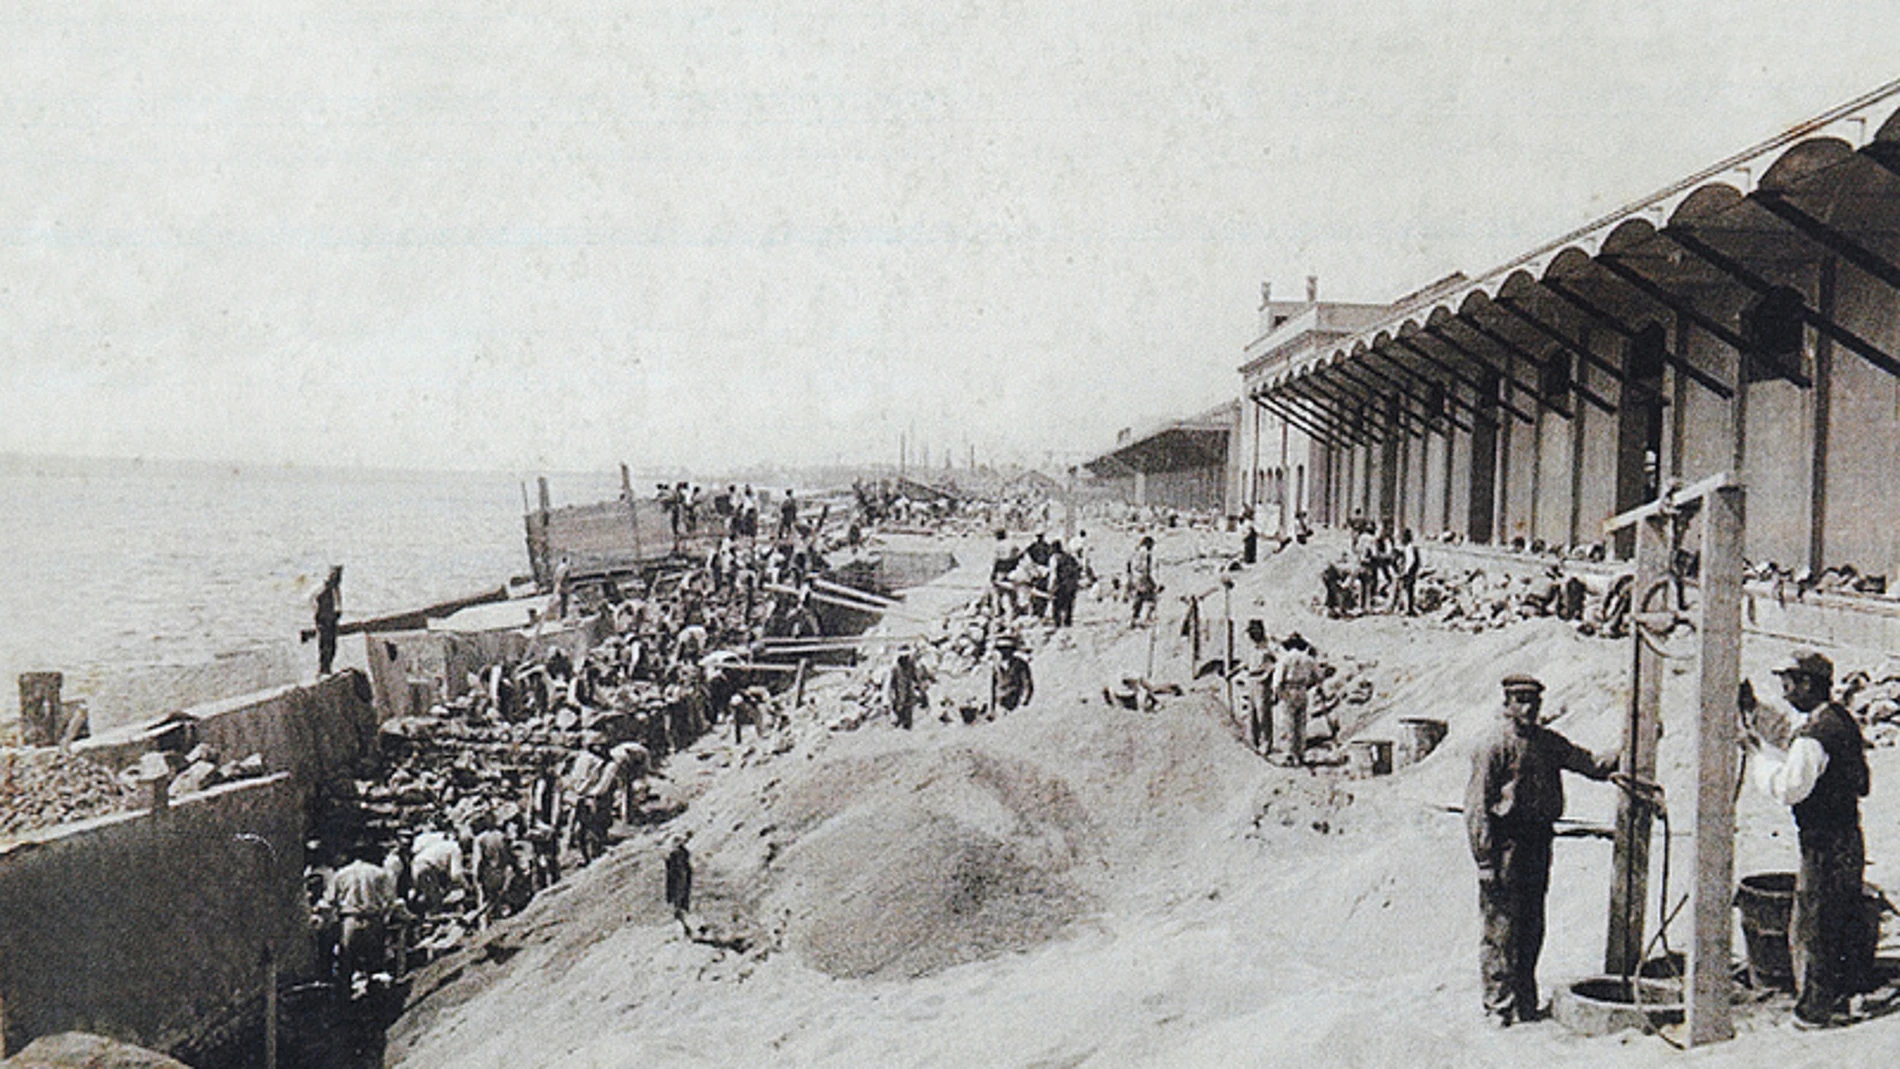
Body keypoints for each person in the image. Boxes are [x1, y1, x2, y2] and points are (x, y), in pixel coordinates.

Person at [1465, 674, 1617, 1027]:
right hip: (1505, 845)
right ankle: (1499, 1006)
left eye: (1533, 701)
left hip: (1537, 844)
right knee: (1500, 928)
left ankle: (1525, 1002)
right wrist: (1484, 860)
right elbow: (1477, 807)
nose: (1528, 707)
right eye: (1520, 700)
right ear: (1507, 704)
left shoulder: (1548, 743)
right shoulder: (1492, 745)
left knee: (1531, 925)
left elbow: (1592, 765)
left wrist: (1628, 749)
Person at [1741, 648, 1871, 1028]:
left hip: (1823, 843)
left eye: (1789, 683)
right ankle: (1842, 999)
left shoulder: (1816, 735)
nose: (1784, 691)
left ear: (1807, 685)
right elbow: (1791, 736)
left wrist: (1756, 756)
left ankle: (1814, 1011)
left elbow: (1789, 787)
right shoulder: (1838, 720)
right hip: (1847, 837)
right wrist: (1755, 717)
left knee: (1813, 926)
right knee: (1839, 918)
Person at [326, 842, 398, 995]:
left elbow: (330, 900)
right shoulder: (379, 873)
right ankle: (376, 998)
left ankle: (345, 999)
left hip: (350, 919)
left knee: (346, 962)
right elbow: (390, 899)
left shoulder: (341, 874)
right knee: (375, 961)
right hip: (372, 919)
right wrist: (385, 915)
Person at [1268, 633, 1320, 764]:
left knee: (1287, 723)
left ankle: (1289, 755)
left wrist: (1278, 693)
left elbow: (1277, 680)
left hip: (1288, 689)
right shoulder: (1308, 660)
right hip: (1302, 690)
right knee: (1300, 723)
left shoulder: (1285, 659)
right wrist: (1307, 686)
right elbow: (1318, 677)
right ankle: (1300, 753)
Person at [888, 646, 929, 730]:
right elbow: (891, 683)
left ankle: (906, 724)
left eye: (906, 657)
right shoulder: (895, 668)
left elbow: (915, 677)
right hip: (900, 693)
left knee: (907, 707)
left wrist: (920, 689)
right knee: (902, 706)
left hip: (908, 692)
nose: (906, 660)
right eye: (904, 657)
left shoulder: (910, 665)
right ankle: (901, 722)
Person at [992, 634, 1034, 712]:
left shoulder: (1020, 664)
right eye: (1001, 650)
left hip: (1016, 701)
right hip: (1001, 705)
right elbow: (993, 688)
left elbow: (1027, 683)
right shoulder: (997, 666)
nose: (1003, 652)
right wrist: (993, 708)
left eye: (1006, 649)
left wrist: (1024, 702)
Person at [313, 565, 343, 675]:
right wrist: (317, 614)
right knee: (325, 644)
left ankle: (328, 668)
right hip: (324, 620)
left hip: (332, 620)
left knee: (332, 645)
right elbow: (313, 600)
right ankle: (323, 669)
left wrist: (337, 612)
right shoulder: (323, 589)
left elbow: (337, 603)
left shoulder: (335, 589)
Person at [1049, 541, 1082, 628]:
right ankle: (1068, 621)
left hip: (1061, 584)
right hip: (1072, 584)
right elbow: (1078, 568)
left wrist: (1051, 587)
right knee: (1069, 603)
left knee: (1056, 604)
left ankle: (1058, 623)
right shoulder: (1070, 557)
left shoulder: (1055, 559)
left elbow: (1053, 575)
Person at [1128, 535, 1158, 627]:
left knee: (1139, 599)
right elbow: (1146, 568)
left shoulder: (1135, 552)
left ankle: (1133, 619)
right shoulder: (1145, 553)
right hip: (1143, 578)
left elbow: (1129, 565)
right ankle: (1147, 618)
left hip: (1135, 577)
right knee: (1151, 598)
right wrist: (1152, 581)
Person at [1396, 529, 1422, 616]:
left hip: (1409, 572)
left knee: (1407, 590)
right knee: (1408, 590)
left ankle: (1408, 609)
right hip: (1411, 572)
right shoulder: (1411, 547)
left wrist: (1406, 571)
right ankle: (1408, 608)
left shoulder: (1409, 548)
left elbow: (1411, 560)